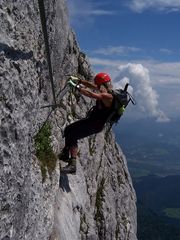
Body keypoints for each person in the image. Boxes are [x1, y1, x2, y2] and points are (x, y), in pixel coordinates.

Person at [59, 72, 114, 174]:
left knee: (73, 135)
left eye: (98, 84)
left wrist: (76, 87)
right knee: (68, 129)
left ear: (102, 84)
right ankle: (65, 154)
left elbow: (91, 94)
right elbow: (91, 86)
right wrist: (79, 80)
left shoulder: (108, 96)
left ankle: (72, 165)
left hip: (95, 125)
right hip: (91, 121)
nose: (97, 86)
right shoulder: (105, 89)